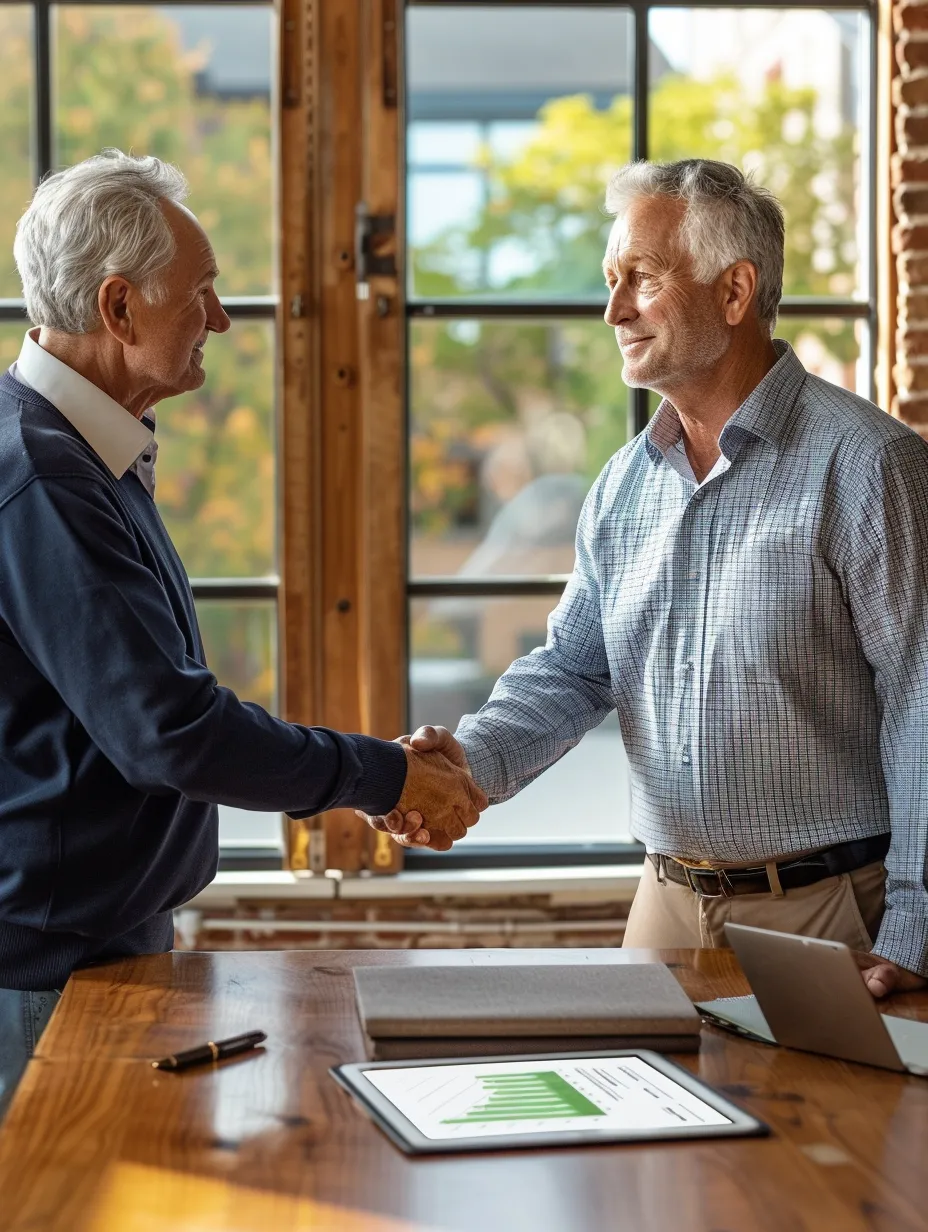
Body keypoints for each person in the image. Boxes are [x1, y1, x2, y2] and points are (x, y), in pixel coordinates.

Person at [364, 158, 928, 1002]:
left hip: (828, 913)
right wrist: (466, 762)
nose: (614, 311)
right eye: (610, 281)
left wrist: (917, 926)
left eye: (643, 278)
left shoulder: (871, 465)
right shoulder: (623, 484)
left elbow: (924, 702)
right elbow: (573, 670)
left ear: (734, 291)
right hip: (664, 907)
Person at [0, 150, 484, 1117]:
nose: (220, 319)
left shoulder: (81, 456)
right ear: (119, 307)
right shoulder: (45, 478)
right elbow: (172, 731)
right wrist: (385, 776)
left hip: (99, 944)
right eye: (200, 293)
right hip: (51, 971)